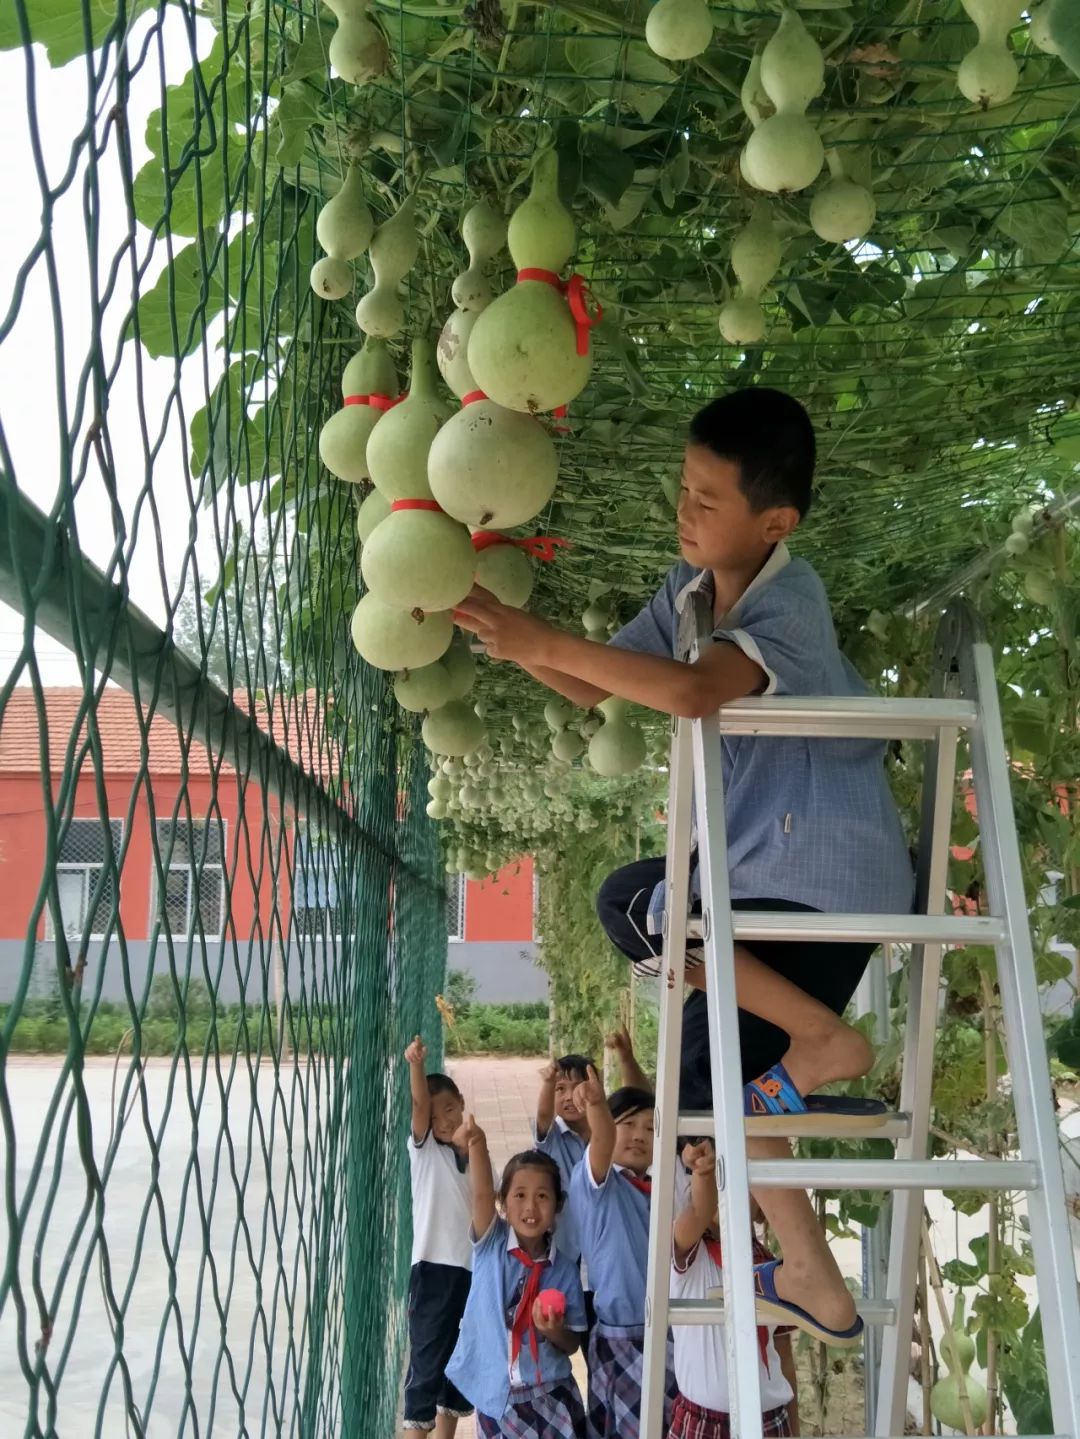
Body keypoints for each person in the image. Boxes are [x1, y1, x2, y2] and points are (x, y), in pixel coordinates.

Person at [454, 386, 914, 1345]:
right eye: (684, 486)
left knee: (676, 967)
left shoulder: (793, 599)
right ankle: (818, 1278)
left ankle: (818, 1040)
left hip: (819, 878)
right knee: (664, 975)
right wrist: (506, 633)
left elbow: (698, 692)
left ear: (774, 521)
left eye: (708, 497)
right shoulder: (689, 590)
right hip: (757, 884)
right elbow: (591, 680)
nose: (685, 509)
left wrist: (539, 636)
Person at [445, 1118, 588, 1438]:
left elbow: (572, 1343)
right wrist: (477, 1143)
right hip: (499, 1398)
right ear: (504, 1204)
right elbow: (481, 1193)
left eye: (542, 1196)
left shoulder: (563, 1269)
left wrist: (553, 1330)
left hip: (551, 1393)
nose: (531, 1207)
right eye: (520, 1195)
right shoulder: (490, 1245)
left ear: (558, 1205)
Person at [568, 1067, 678, 1439]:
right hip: (621, 1336)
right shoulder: (598, 1186)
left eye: (650, 1129)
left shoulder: (662, 1188)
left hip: (670, 1332)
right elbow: (601, 1140)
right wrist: (598, 1107)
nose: (638, 1136)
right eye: (627, 1125)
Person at [669, 1140, 800, 1439]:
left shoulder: (769, 1265)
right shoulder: (688, 1253)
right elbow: (699, 1213)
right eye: (720, 1184)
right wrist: (703, 1174)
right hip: (702, 1420)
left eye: (743, 1185)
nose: (730, 1195)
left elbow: (784, 1355)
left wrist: (794, 1429)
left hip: (768, 1418)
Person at [402, 1035, 475, 1437]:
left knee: (460, 1361)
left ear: (461, 1102)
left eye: (449, 1108)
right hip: (433, 1270)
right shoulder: (425, 1150)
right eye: (434, 1116)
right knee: (426, 1363)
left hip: (470, 1270)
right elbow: (418, 1104)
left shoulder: (472, 1151)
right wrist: (416, 1064)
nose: (443, 1120)